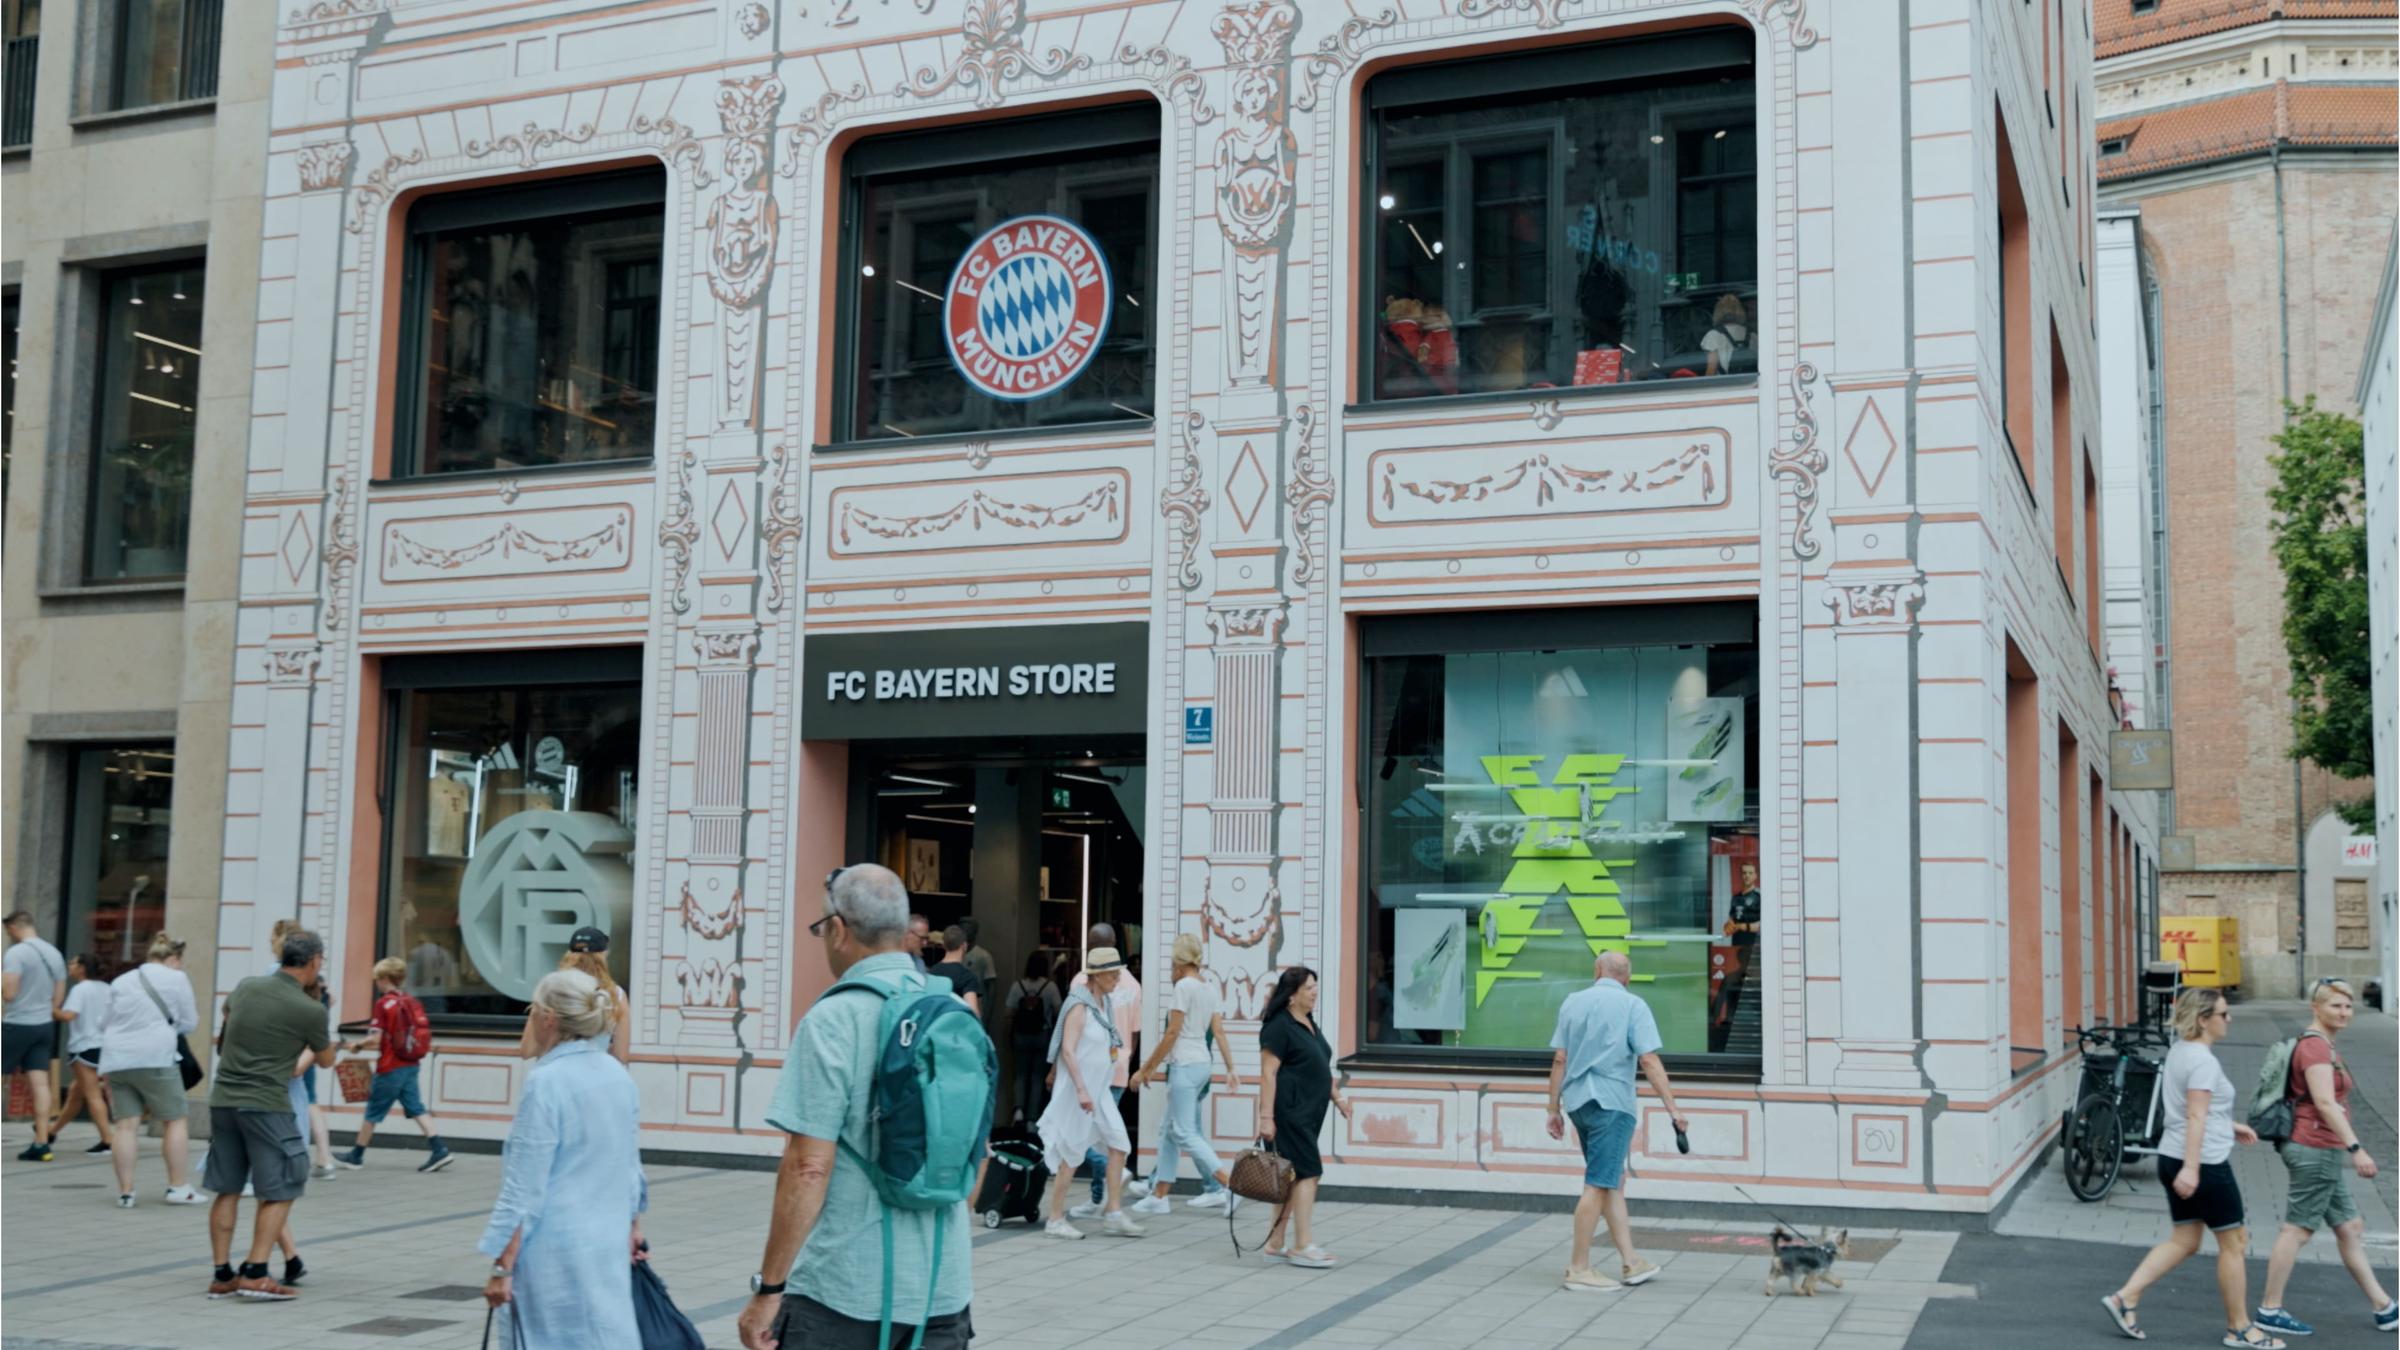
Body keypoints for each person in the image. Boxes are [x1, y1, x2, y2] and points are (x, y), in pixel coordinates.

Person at [738, 864, 974, 1350]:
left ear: (839, 930)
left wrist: (770, 1287)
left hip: (847, 1292)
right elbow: (974, 1147)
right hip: (943, 1287)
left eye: (822, 927)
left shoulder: (833, 1017)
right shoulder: (951, 1011)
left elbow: (808, 1167)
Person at [2101, 987, 2280, 1348]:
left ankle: (2125, 1298)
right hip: (2203, 1163)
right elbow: (2196, 1114)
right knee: (2235, 1242)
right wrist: (2193, 1169)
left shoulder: (2181, 1052)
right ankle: (2240, 1328)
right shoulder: (2202, 1061)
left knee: (2185, 1239)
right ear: (2203, 1020)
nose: (2228, 1020)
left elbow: (2193, 1110)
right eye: (2223, 1014)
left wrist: (2231, 1125)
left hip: (2172, 1155)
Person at [479, 967, 648, 1349]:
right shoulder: (617, 1075)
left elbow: (524, 1185)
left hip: (553, 1249)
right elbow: (630, 1166)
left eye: (532, 1010)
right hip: (606, 1240)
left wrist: (502, 1265)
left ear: (549, 1018)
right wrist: (634, 1226)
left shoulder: (546, 1082)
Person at [2253, 979, 2399, 1337]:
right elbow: (2324, 1103)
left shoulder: (2323, 1045)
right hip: (2314, 1147)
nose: (2344, 1012)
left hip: (2320, 1148)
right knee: (2297, 1229)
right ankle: (2269, 1309)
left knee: (2350, 1227)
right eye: (2335, 1006)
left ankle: (2385, 1307)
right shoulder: (2316, 1048)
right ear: (2315, 1008)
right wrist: (2357, 1148)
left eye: (2348, 1006)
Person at [1545, 949, 1690, 1291]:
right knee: (1598, 1183)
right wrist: (1674, 1109)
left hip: (1579, 1103)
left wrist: (1553, 1109)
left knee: (1611, 1181)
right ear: (1627, 977)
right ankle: (1578, 1268)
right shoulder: (1633, 1005)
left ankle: (1631, 1261)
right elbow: (1649, 1061)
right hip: (1612, 1104)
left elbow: (1559, 1059)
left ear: (1597, 971)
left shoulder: (1572, 1002)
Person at [205, 929, 333, 1302]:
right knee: (282, 1184)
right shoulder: (310, 1010)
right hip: (266, 1103)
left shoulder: (247, 987)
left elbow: (226, 1032)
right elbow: (324, 1061)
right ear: (314, 962)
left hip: (224, 1098)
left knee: (227, 1186)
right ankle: (257, 1271)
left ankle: (221, 1273)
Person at [1037, 946, 1144, 1240]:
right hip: (1080, 1092)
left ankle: (1113, 1212)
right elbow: (1068, 1050)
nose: (1117, 977)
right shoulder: (1079, 1005)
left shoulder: (1103, 1004)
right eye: (1113, 973)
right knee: (1070, 1154)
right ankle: (1055, 1218)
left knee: (1120, 1144)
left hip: (1100, 1091)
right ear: (1096, 976)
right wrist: (1082, 1090)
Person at [1128, 932, 1240, 1213]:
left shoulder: (1183, 988)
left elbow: (1172, 1033)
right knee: (1170, 1129)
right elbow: (1219, 1032)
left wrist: (1145, 1069)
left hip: (1184, 1065)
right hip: (1202, 1064)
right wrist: (1230, 1067)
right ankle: (1159, 1195)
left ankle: (1230, 1185)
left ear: (1178, 962)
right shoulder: (1209, 988)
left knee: (1185, 1132)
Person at [101, 933, 204, 1208]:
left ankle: (126, 1192)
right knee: (175, 1119)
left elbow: (105, 1021)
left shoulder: (121, 980)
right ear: (172, 959)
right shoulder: (176, 978)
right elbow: (189, 1022)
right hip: (156, 1056)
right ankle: (177, 1186)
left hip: (117, 1058)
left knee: (126, 1125)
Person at [1256, 966, 1349, 1268]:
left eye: (1316, 987)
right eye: (1309, 988)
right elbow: (1268, 1074)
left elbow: (1320, 1063)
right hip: (1290, 1111)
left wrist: (1338, 1098)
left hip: (1310, 1111)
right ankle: (1302, 1244)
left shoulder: (1306, 1020)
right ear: (1292, 994)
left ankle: (1275, 1242)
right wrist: (1266, 1117)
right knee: (1309, 1173)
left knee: (1291, 1175)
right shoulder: (1278, 1026)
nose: (1314, 992)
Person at [335, 957, 452, 1172]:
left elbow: (375, 1038)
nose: (376, 983)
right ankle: (439, 1149)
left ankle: (356, 1156)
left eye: (378, 978)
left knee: (373, 1111)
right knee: (417, 1108)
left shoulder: (383, 1004)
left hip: (390, 1066)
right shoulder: (410, 1000)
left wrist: (357, 1046)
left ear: (386, 978)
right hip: (410, 1063)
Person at [1062, 922, 1145, 1215]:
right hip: (1118, 1068)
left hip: (1088, 1070)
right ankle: (1100, 1199)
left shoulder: (1081, 981)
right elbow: (1134, 1033)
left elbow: (1070, 1030)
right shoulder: (1134, 985)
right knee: (1100, 1134)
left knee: (1078, 1134)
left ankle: (1104, 1183)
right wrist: (1127, 1057)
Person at [266, 919, 338, 1180]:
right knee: (308, 1100)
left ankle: (305, 1158)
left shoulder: (272, 974)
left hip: (290, 1050)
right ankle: (323, 1157)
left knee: (300, 1100)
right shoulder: (311, 977)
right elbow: (329, 999)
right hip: (307, 1044)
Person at [4, 911, 68, 1162]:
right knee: (40, 1084)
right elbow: (59, 996)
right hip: (44, 1026)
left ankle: (40, 1143)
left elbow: (9, 993)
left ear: (13, 927)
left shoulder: (16, 953)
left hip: (17, 1023)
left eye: (7, 930)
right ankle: (42, 1142)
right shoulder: (54, 953)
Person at [514, 928, 631, 1064]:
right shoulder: (616, 995)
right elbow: (621, 1055)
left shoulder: (551, 990)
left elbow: (527, 1051)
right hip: (593, 1074)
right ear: (604, 955)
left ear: (569, 954)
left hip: (554, 1074)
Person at [50, 954, 115, 1155]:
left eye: (73, 962)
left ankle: (108, 1140)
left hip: (84, 1046)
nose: (70, 966)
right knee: (75, 1094)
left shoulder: (80, 989)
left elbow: (69, 1015)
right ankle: (51, 1132)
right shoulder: (107, 988)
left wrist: (51, 1009)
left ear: (83, 968)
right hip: (104, 1046)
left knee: (93, 1095)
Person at [1004, 952, 1061, 1125]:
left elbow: (1008, 1011)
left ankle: (1018, 1110)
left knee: (1020, 1075)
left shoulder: (1017, 986)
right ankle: (1032, 1119)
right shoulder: (1050, 987)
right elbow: (1059, 1011)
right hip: (1042, 1035)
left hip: (1021, 1035)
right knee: (1037, 1077)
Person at [923, 935, 983, 1017]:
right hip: (953, 1026)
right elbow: (973, 1013)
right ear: (964, 946)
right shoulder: (967, 977)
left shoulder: (931, 972)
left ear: (944, 946)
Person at [1700, 293, 1752, 377]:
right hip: (1750, 384)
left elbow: (1711, 370)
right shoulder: (1752, 336)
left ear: (1718, 311)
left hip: (1725, 385)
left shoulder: (1713, 336)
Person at [953, 918, 997, 1003]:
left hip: (977, 1004)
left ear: (975, 932)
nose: (965, 932)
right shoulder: (954, 954)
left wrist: (988, 1013)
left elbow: (991, 987)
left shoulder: (984, 956)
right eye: (962, 929)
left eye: (968, 929)